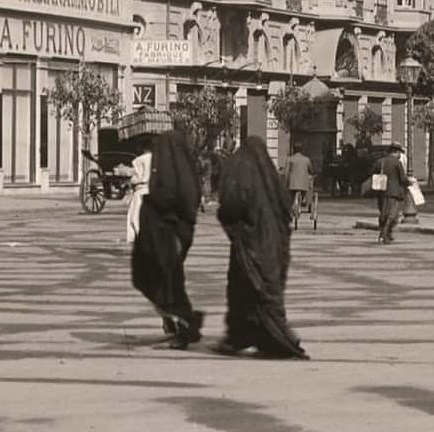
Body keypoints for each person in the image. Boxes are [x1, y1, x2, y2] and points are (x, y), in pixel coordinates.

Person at [215, 136, 309, 360]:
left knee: (245, 290)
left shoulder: (241, 172)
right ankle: (246, 337)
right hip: (275, 245)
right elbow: (286, 206)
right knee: (265, 289)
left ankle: (265, 338)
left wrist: (233, 225)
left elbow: (231, 203)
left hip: (250, 244)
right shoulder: (270, 177)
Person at [131, 131, 205, 350]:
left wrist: (149, 203)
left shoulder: (169, 176)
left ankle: (184, 323)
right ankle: (177, 322)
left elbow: (167, 199)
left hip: (168, 235)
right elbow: (191, 200)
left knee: (162, 280)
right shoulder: (187, 172)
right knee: (168, 280)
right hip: (180, 233)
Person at [373, 143, 409, 244]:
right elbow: (402, 178)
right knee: (392, 214)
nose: (399, 155)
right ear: (396, 152)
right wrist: (409, 182)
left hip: (381, 190)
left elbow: (372, 172)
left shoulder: (381, 161)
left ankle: (383, 233)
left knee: (383, 213)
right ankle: (385, 234)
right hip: (393, 192)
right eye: (399, 153)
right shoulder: (397, 163)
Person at [126, 143, 152, 244]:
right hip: (152, 191)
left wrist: (131, 179)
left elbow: (136, 178)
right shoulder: (158, 160)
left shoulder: (138, 161)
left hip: (140, 191)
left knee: (135, 217)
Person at [285, 142, 314, 227]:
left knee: (290, 197)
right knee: (303, 194)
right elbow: (311, 170)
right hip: (303, 185)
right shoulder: (306, 160)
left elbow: (286, 172)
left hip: (292, 185)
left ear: (293, 150)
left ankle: (292, 209)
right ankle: (301, 203)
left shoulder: (289, 159)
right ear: (301, 150)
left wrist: (285, 183)